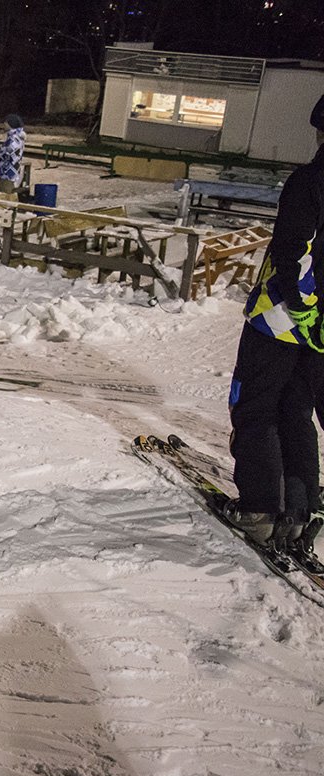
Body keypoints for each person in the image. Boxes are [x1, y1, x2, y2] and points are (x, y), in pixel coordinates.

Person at [224, 93, 324, 565]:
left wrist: (303, 304)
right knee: (295, 414)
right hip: (319, 334)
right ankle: (299, 512)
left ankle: (261, 510)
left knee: (256, 409)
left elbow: (293, 247)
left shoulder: (310, 181)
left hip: (280, 320)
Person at [0, 114, 26, 195]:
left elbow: (6, 152)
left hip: (8, 175)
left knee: (3, 199)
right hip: (13, 173)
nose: (4, 124)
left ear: (11, 124)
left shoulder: (13, 138)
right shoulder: (18, 136)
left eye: (6, 122)